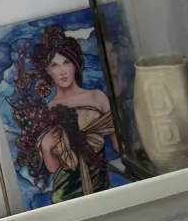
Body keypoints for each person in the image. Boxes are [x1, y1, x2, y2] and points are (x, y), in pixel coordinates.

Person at [10, 26, 116, 203]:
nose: (62, 70)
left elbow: (119, 144)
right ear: (47, 70)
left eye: (67, 62)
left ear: (75, 63)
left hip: (101, 187)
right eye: (54, 65)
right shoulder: (46, 110)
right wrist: (45, 148)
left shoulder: (97, 97)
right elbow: (54, 168)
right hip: (65, 193)